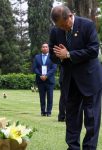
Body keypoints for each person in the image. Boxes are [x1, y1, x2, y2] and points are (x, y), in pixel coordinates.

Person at [49, 5, 102, 150]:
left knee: (92, 118)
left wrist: (69, 55)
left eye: (64, 25)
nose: (63, 29)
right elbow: (52, 55)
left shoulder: (87, 25)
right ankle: (72, 147)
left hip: (90, 79)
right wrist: (59, 57)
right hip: (70, 81)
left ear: (70, 16)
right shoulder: (55, 31)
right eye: (59, 27)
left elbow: (93, 51)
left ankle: (89, 148)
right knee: (72, 117)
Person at [33, 43, 57, 117]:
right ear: (41, 48)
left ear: (48, 48)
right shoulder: (37, 57)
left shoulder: (53, 57)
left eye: (46, 47)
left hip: (49, 80)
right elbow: (34, 68)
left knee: (50, 97)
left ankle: (49, 112)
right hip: (40, 80)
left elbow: (54, 68)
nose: (45, 48)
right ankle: (43, 112)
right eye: (43, 47)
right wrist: (40, 75)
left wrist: (46, 76)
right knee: (42, 97)